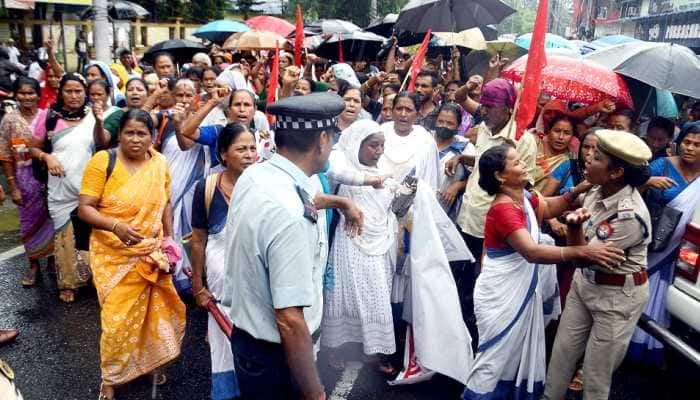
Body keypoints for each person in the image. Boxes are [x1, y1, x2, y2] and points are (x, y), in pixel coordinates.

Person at [462, 143, 624, 399]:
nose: (524, 165)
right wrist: (584, 252)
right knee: (492, 360)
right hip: (501, 297)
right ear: (500, 176)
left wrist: (579, 189)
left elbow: (548, 207)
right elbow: (532, 252)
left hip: (516, 294)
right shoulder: (503, 209)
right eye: (516, 163)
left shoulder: (523, 197)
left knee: (510, 356)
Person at [221, 93, 346, 399]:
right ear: (321, 140)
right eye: (332, 138)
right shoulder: (290, 213)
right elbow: (289, 320)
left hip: (251, 344)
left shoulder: (256, 175)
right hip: (278, 358)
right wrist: (314, 392)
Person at [78, 109, 185, 400]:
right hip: (113, 255)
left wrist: (168, 238)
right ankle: (110, 379)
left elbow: (165, 202)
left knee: (152, 313)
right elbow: (85, 207)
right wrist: (116, 226)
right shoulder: (103, 161)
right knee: (115, 322)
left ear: (153, 136)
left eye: (142, 133)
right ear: (120, 134)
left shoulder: (159, 162)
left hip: (150, 253)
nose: (136, 140)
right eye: (130, 133)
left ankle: (148, 364)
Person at [544, 130, 653, 400]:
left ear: (616, 172)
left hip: (617, 298)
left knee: (595, 374)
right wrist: (574, 201)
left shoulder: (629, 216)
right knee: (561, 354)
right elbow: (580, 244)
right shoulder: (596, 188)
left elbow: (579, 256)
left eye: (597, 156)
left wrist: (574, 226)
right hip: (587, 285)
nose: (588, 157)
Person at [321, 120, 397, 374]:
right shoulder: (341, 160)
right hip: (349, 240)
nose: (378, 151)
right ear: (357, 144)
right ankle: (335, 348)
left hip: (379, 241)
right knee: (342, 295)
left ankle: (372, 349)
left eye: (382, 145)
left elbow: (393, 204)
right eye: (373, 145)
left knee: (376, 296)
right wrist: (372, 180)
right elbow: (337, 174)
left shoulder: (385, 168)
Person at [191, 123, 256, 400]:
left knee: (255, 337)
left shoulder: (263, 187)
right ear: (223, 154)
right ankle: (227, 392)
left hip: (255, 278)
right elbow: (198, 240)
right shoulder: (206, 188)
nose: (249, 154)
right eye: (241, 149)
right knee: (222, 340)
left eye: (253, 148)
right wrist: (197, 285)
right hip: (219, 283)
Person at [628, 122, 700, 366]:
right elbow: (628, 190)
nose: (689, 148)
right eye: (687, 142)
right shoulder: (662, 166)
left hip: (682, 251)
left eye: (697, 145)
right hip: (650, 244)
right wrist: (648, 183)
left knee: (662, 295)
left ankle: (648, 347)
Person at [32, 73, 96, 303]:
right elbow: (33, 149)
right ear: (61, 93)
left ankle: (94, 279)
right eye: (68, 91)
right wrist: (47, 157)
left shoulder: (94, 116)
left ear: (85, 93)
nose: (73, 95)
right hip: (59, 189)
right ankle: (68, 283)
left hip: (89, 188)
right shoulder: (50, 118)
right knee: (63, 237)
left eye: (78, 91)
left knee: (92, 236)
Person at [0, 77, 55, 286]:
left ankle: (51, 260)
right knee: (28, 223)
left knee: (51, 219)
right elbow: (5, 155)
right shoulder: (9, 120)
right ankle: (33, 265)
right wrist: (13, 186)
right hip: (24, 179)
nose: (27, 97)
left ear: (38, 95)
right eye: (22, 93)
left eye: (31, 93)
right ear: (16, 95)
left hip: (47, 176)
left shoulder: (47, 116)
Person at [379, 92, 440, 190]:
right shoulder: (379, 133)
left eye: (409, 110)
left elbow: (429, 181)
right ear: (392, 110)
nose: (403, 114)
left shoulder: (426, 141)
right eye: (399, 109)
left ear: (417, 113)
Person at [434, 102, 474, 221]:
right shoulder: (425, 140)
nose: (444, 126)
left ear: (458, 126)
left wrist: (458, 186)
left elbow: (476, 178)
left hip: (446, 210)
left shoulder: (465, 147)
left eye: (450, 123)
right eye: (440, 121)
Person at [532, 108, 577, 191]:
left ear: (572, 136)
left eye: (567, 133)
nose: (561, 137)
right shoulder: (534, 144)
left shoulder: (568, 161)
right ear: (549, 131)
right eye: (557, 131)